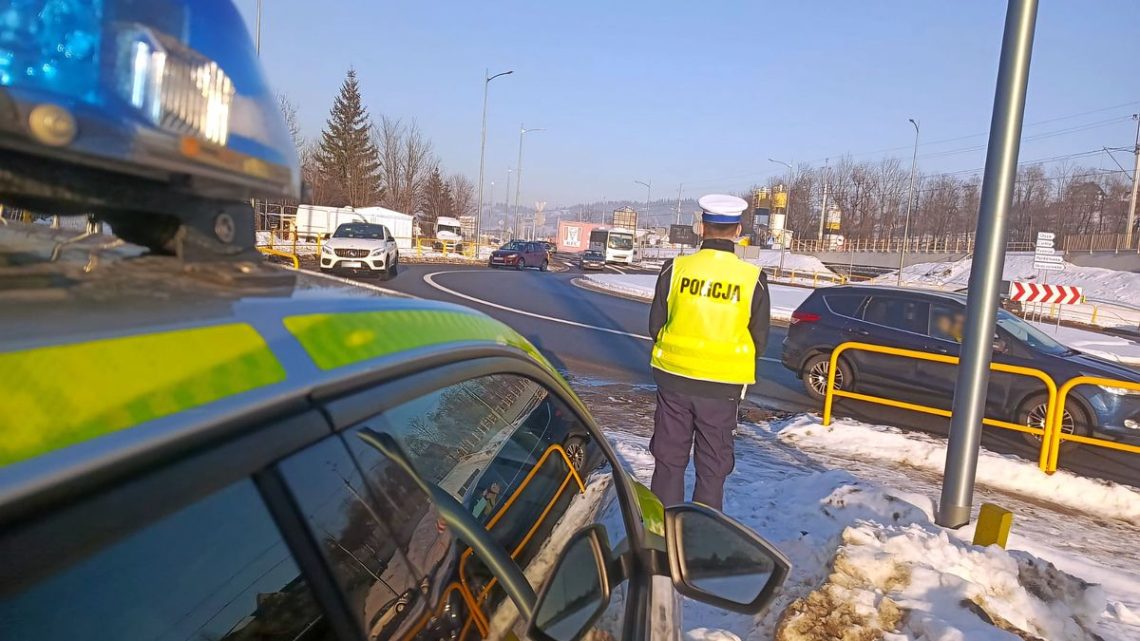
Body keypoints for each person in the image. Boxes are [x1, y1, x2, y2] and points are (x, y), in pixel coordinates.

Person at [648, 194, 770, 510]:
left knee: (668, 463)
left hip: (674, 381)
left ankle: (661, 538)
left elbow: (655, 326)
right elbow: (760, 341)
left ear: (701, 228)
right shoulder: (752, 279)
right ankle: (702, 537)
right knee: (713, 469)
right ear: (738, 230)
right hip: (723, 389)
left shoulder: (673, 269)